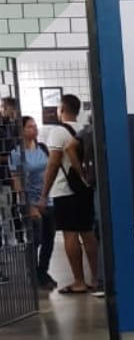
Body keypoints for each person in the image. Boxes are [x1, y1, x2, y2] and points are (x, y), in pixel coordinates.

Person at [39, 94, 99, 295]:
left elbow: (54, 163)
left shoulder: (58, 132)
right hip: (85, 188)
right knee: (88, 233)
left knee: (70, 235)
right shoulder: (83, 128)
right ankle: (96, 278)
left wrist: (44, 193)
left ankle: (79, 281)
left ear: (61, 109)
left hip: (65, 190)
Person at [9, 116, 57, 289]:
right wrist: (27, 205)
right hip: (31, 202)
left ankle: (42, 272)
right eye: (29, 127)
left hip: (48, 199)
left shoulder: (42, 148)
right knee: (36, 239)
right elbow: (17, 181)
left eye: (35, 126)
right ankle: (33, 272)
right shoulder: (16, 154)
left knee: (49, 239)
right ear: (21, 130)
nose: (34, 129)